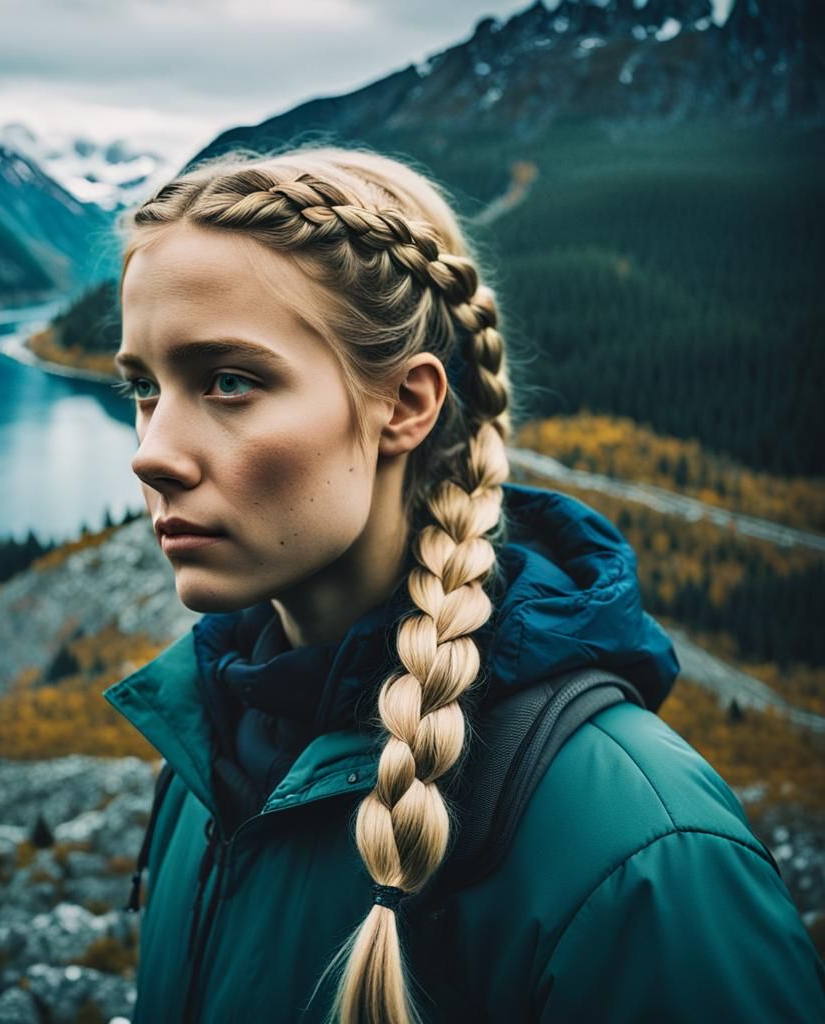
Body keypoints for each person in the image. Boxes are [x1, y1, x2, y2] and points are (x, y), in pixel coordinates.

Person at [102, 144, 825, 1023]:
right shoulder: (210, 740)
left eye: (229, 381)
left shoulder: (641, 849)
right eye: (143, 386)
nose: (152, 452)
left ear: (406, 404)